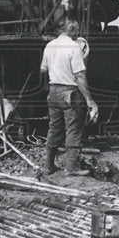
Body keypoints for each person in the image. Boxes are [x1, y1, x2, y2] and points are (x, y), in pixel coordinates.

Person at [40, 18, 98, 175]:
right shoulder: (74, 47)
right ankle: (71, 169)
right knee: (73, 129)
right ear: (72, 30)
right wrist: (89, 100)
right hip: (69, 93)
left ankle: (48, 166)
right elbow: (79, 76)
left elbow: (43, 70)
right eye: (76, 32)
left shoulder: (49, 45)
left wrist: (50, 89)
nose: (77, 35)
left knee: (54, 128)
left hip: (53, 91)